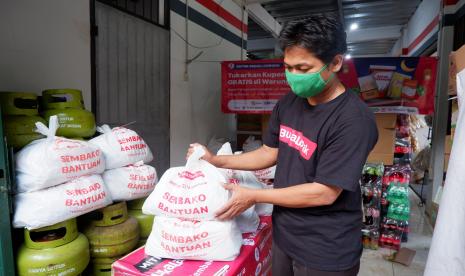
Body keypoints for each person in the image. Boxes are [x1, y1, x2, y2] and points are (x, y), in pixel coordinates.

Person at [188, 13, 378, 276]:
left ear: (335, 63)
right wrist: (216, 160)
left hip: (326, 249)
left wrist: (254, 195)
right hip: (285, 235)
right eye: (288, 67)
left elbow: (324, 192)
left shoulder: (353, 120)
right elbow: (268, 152)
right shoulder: (289, 103)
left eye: (303, 69)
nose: (293, 76)